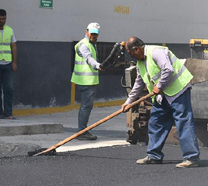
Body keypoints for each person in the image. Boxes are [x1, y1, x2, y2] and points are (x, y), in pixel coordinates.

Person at [121, 36, 201, 168]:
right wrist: (129, 102)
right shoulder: (140, 62)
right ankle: (154, 156)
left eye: (130, 53)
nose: (131, 56)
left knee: (183, 122)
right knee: (156, 122)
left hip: (178, 90)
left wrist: (159, 86)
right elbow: (138, 83)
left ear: (136, 49)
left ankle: (192, 158)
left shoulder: (156, 52)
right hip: (162, 95)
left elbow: (168, 70)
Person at [71, 22, 105, 140]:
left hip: (88, 81)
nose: (93, 36)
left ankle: (82, 130)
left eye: (96, 34)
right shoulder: (83, 45)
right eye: (92, 33)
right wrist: (97, 65)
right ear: (86, 31)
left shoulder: (91, 44)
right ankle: (82, 131)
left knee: (86, 106)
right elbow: (88, 58)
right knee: (86, 106)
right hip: (86, 81)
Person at [0, 9, 18, 120]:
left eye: (3, 19)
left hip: (8, 64)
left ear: (6, 18)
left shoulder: (10, 30)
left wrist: (14, 62)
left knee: (8, 88)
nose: (1, 21)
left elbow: (13, 47)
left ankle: (8, 113)